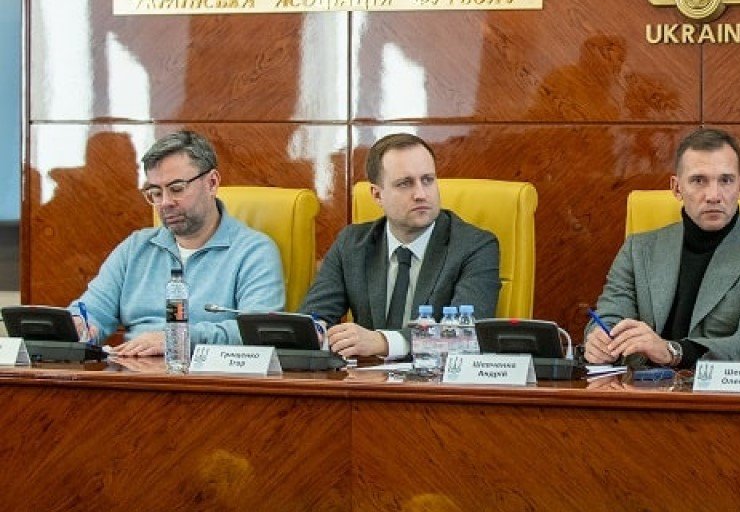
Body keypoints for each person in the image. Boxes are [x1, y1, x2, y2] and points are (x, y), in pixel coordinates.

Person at [584, 128, 740, 368]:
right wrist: (600, 340)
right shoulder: (639, 249)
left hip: (721, 389)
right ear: (676, 188)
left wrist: (672, 352)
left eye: (726, 180)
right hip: (636, 385)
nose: (714, 195)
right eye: (699, 181)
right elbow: (610, 315)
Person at [70, 131, 285, 355]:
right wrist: (80, 326)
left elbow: (258, 331)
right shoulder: (135, 248)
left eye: (176, 189)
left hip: (207, 372)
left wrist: (178, 339)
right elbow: (92, 311)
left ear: (212, 183)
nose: (165, 203)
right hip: (131, 369)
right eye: (155, 193)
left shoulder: (254, 251)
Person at [301, 133, 500, 359]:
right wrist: (317, 331)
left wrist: (384, 342)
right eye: (405, 184)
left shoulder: (474, 246)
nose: (421, 194)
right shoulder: (352, 243)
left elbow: (466, 336)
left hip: (437, 378)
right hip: (366, 377)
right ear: (377, 195)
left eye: (428, 180)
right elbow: (314, 316)